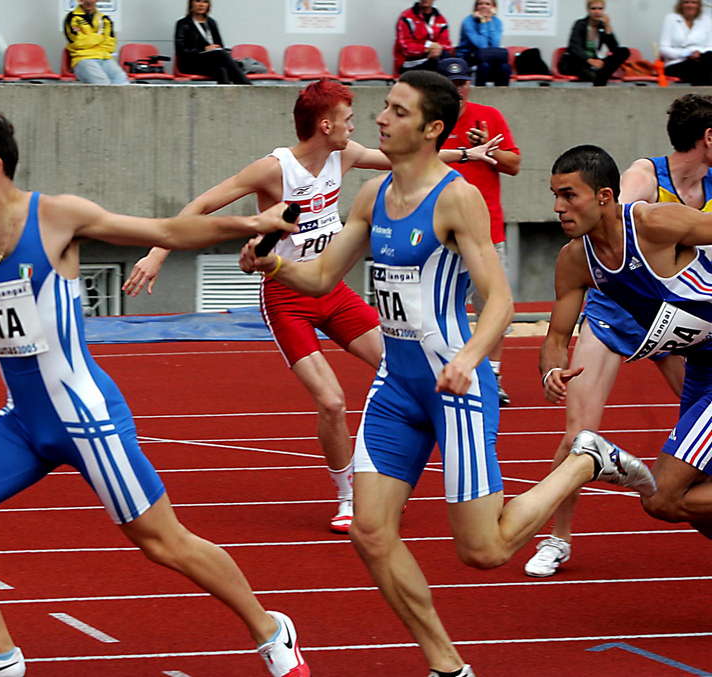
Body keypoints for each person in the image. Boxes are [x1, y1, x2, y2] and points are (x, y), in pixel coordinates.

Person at [0, 107, 308, 677]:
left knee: (163, 542)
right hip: (22, 422)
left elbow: (165, 232)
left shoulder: (56, 218)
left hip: (88, 419)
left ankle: (270, 629)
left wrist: (253, 223)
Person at [241, 71, 655, 677]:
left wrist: (468, 358)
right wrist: (274, 265)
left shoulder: (456, 198)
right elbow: (323, 277)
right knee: (369, 532)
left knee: (483, 550)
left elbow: (500, 301)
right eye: (384, 107)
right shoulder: (372, 195)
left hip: (453, 387)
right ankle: (446, 665)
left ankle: (584, 460)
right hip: (396, 388)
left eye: (398, 111)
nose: (381, 118)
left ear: (433, 128)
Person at [123, 79, 500, 536]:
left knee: (400, 367)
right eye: (348, 118)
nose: (358, 125)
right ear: (326, 125)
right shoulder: (273, 169)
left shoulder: (345, 155)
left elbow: (412, 158)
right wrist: (157, 253)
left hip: (332, 288)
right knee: (332, 400)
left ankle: (395, 475)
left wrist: (467, 155)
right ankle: (347, 494)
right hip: (288, 296)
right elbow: (202, 204)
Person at [524, 94, 712, 578]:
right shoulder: (580, 253)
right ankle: (557, 539)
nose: (557, 207)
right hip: (622, 318)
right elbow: (556, 335)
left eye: (569, 196)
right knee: (579, 434)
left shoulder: (659, 220)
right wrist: (550, 370)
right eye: (556, 195)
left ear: (600, 197)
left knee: (679, 490)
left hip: (683, 337)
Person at [437, 57, 520, 405]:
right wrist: (465, 153)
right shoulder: (429, 119)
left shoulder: (489, 116)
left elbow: (514, 164)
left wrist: (491, 148)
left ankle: (493, 376)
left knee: (492, 306)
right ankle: (445, 369)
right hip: (441, 232)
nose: (458, 89)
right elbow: (414, 161)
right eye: (451, 83)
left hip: (487, 232)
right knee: (441, 306)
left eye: (462, 82)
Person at [174, 0, 250, 84]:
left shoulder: (211, 22)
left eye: (205, 2)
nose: (201, 5)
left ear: (208, 5)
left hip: (212, 62)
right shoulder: (183, 23)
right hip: (191, 63)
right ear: (191, 3)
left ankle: (230, 92)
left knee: (222, 69)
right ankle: (247, 86)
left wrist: (216, 49)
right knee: (222, 55)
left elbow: (220, 46)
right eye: (198, 1)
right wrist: (204, 49)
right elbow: (180, 51)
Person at [559, 0, 630, 87]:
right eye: (593, 8)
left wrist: (608, 26)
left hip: (595, 62)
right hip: (578, 61)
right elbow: (574, 47)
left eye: (600, 9)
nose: (597, 12)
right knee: (579, 65)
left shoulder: (602, 26)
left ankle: (601, 75)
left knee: (623, 51)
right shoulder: (580, 24)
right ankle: (599, 76)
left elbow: (614, 48)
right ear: (588, 10)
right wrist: (589, 60)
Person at [63, 0, 129, 85]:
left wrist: (90, 38)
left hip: (105, 57)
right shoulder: (72, 17)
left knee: (121, 80)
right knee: (102, 84)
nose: (89, 2)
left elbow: (110, 44)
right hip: (83, 58)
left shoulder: (104, 19)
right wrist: (100, 37)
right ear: (80, 1)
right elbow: (78, 43)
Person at [456, 0, 510, 87]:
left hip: (487, 56)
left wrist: (489, 21)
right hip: (469, 56)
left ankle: (502, 93)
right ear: (476, 7)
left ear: (493, 7)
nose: (483, 6)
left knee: (505, 67)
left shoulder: (497, 22)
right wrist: (483, 22)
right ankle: (480, 92)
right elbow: (482, 45)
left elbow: (495, 44)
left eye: (487, 4)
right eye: (480, 4)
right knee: (484, 65)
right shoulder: (468, 21)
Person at [393, 1, 454, 75]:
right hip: (410, 63)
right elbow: (406, 47)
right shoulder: (406, 17)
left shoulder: (440, 19)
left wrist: (438, 50)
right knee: (438, 65)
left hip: (434, 60)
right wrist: (428, 48)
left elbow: (447, 45)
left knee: (452, 62)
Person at [660, 0, 712, 86]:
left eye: (694, 2)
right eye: (686, 2)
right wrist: (686, 53)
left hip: (702, 59)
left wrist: (699, 54)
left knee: (707, 60)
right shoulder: (671, 18)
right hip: (677, 63)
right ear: (681, 5)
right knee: (701, 69)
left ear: (699, 5)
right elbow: (663, 49)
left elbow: (710, 46)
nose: (690, 5)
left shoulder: (706, 20)